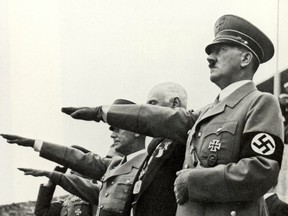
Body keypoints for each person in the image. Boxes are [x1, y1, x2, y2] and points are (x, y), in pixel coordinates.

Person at [59, 15, 284, 216]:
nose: (210, 58)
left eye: (220, 50)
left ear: (245, 59)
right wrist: (104, 112)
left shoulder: (260, 103)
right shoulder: (208, 111)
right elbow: (162, 118)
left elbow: (261, 171)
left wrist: (192, 180)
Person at [1, 99, 147, 216]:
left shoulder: (150, 164)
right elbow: (77, 158)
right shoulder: (115, 165)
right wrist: (35, 144)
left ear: (136, 131)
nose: (112, 135)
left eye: (118, 128)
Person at [121, 82, 187, 216]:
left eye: (152, 103)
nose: (147, 109)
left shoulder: (186, 136)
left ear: (175, 103)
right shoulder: (155, 143)